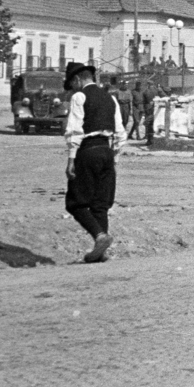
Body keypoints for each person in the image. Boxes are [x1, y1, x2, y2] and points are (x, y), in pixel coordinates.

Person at [63, 60, 125, 263]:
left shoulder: (79, 97)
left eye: (71, 83)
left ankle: (99, 236)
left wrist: (71, 159)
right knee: (100, 204)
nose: (71, 88)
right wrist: (114, 157)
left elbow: (74, 130)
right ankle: (100, 252)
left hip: (87, 150)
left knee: (75, 202)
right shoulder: (110, 99)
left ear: (77, 79)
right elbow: (120, 132)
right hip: (107, 150)